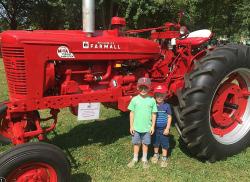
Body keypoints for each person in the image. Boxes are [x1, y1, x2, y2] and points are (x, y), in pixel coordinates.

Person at [127, 77, 157, 169]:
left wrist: (152, 126)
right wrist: (131, 126)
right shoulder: (134, 100)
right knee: (136, 144)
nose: (143, 90)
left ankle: (144, 159)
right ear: (137, 88)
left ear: (149, 88)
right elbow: (131, 113)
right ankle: (135, 159)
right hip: (136, 128)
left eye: (146, 88)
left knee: (145, 144)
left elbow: (154, 114)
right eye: (141, 87)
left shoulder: (152, 100)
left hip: (147, 128)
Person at [151, 85, 172, 167]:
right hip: (155, 128)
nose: (159, 97)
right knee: (155, 142)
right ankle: (156, 154)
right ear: (155, 96)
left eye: (162, 96)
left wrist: (167, 128)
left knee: (164, 143)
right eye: (158, 96)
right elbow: (151, 116)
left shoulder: (167, 106)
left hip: (164, 129)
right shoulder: (153, 105)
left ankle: (164, 157)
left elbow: (169, 117)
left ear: (165, 96)